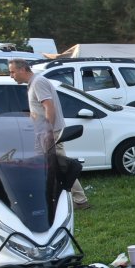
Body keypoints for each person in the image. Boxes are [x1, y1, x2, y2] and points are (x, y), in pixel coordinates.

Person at [8, 58, 90, 210]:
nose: (11, 76)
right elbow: (40, 108)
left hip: (49, 134)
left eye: (12, 72)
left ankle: (80, 200)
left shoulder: (38, 82)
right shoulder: (33, 84)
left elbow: (49, 107)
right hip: (41, 133)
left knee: (61, 166)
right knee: (43, 166)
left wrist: (48, 131)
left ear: (22, 70)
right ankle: (48, 198)